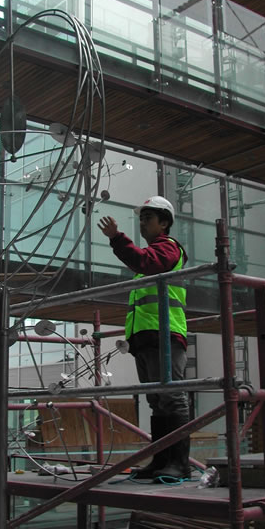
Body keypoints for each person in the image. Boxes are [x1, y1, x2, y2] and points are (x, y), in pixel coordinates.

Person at [97, 196, 191, 481]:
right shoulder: (153, 255)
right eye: (141, 218)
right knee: (157, 401)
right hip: (148, 337)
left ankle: (179, 464)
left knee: (171, 398)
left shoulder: (168, 249)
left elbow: (145, 261)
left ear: (164, 223)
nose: (142, 223)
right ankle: (161, 460)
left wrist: (117, 238)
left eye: (148, 218)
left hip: (165, 334)